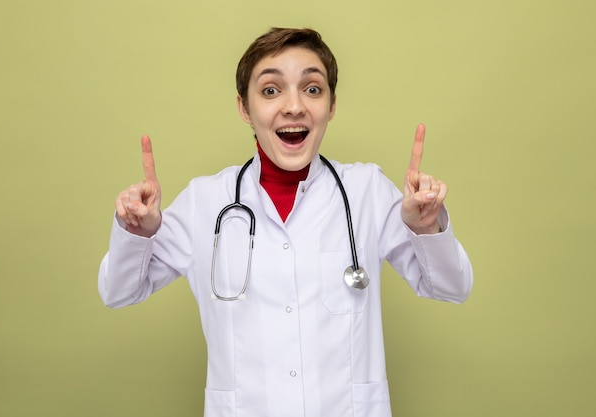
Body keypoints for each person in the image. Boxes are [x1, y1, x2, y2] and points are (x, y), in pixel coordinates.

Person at [98, 27, 473, 417]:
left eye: (312, 89)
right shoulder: (205, 202)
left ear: (331, 105)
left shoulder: (366, 193)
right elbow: (119, 291)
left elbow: (452, 287)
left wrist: (427, 226)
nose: (294, 106)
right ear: (245, 108)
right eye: (271, 90)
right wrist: (137, 233)